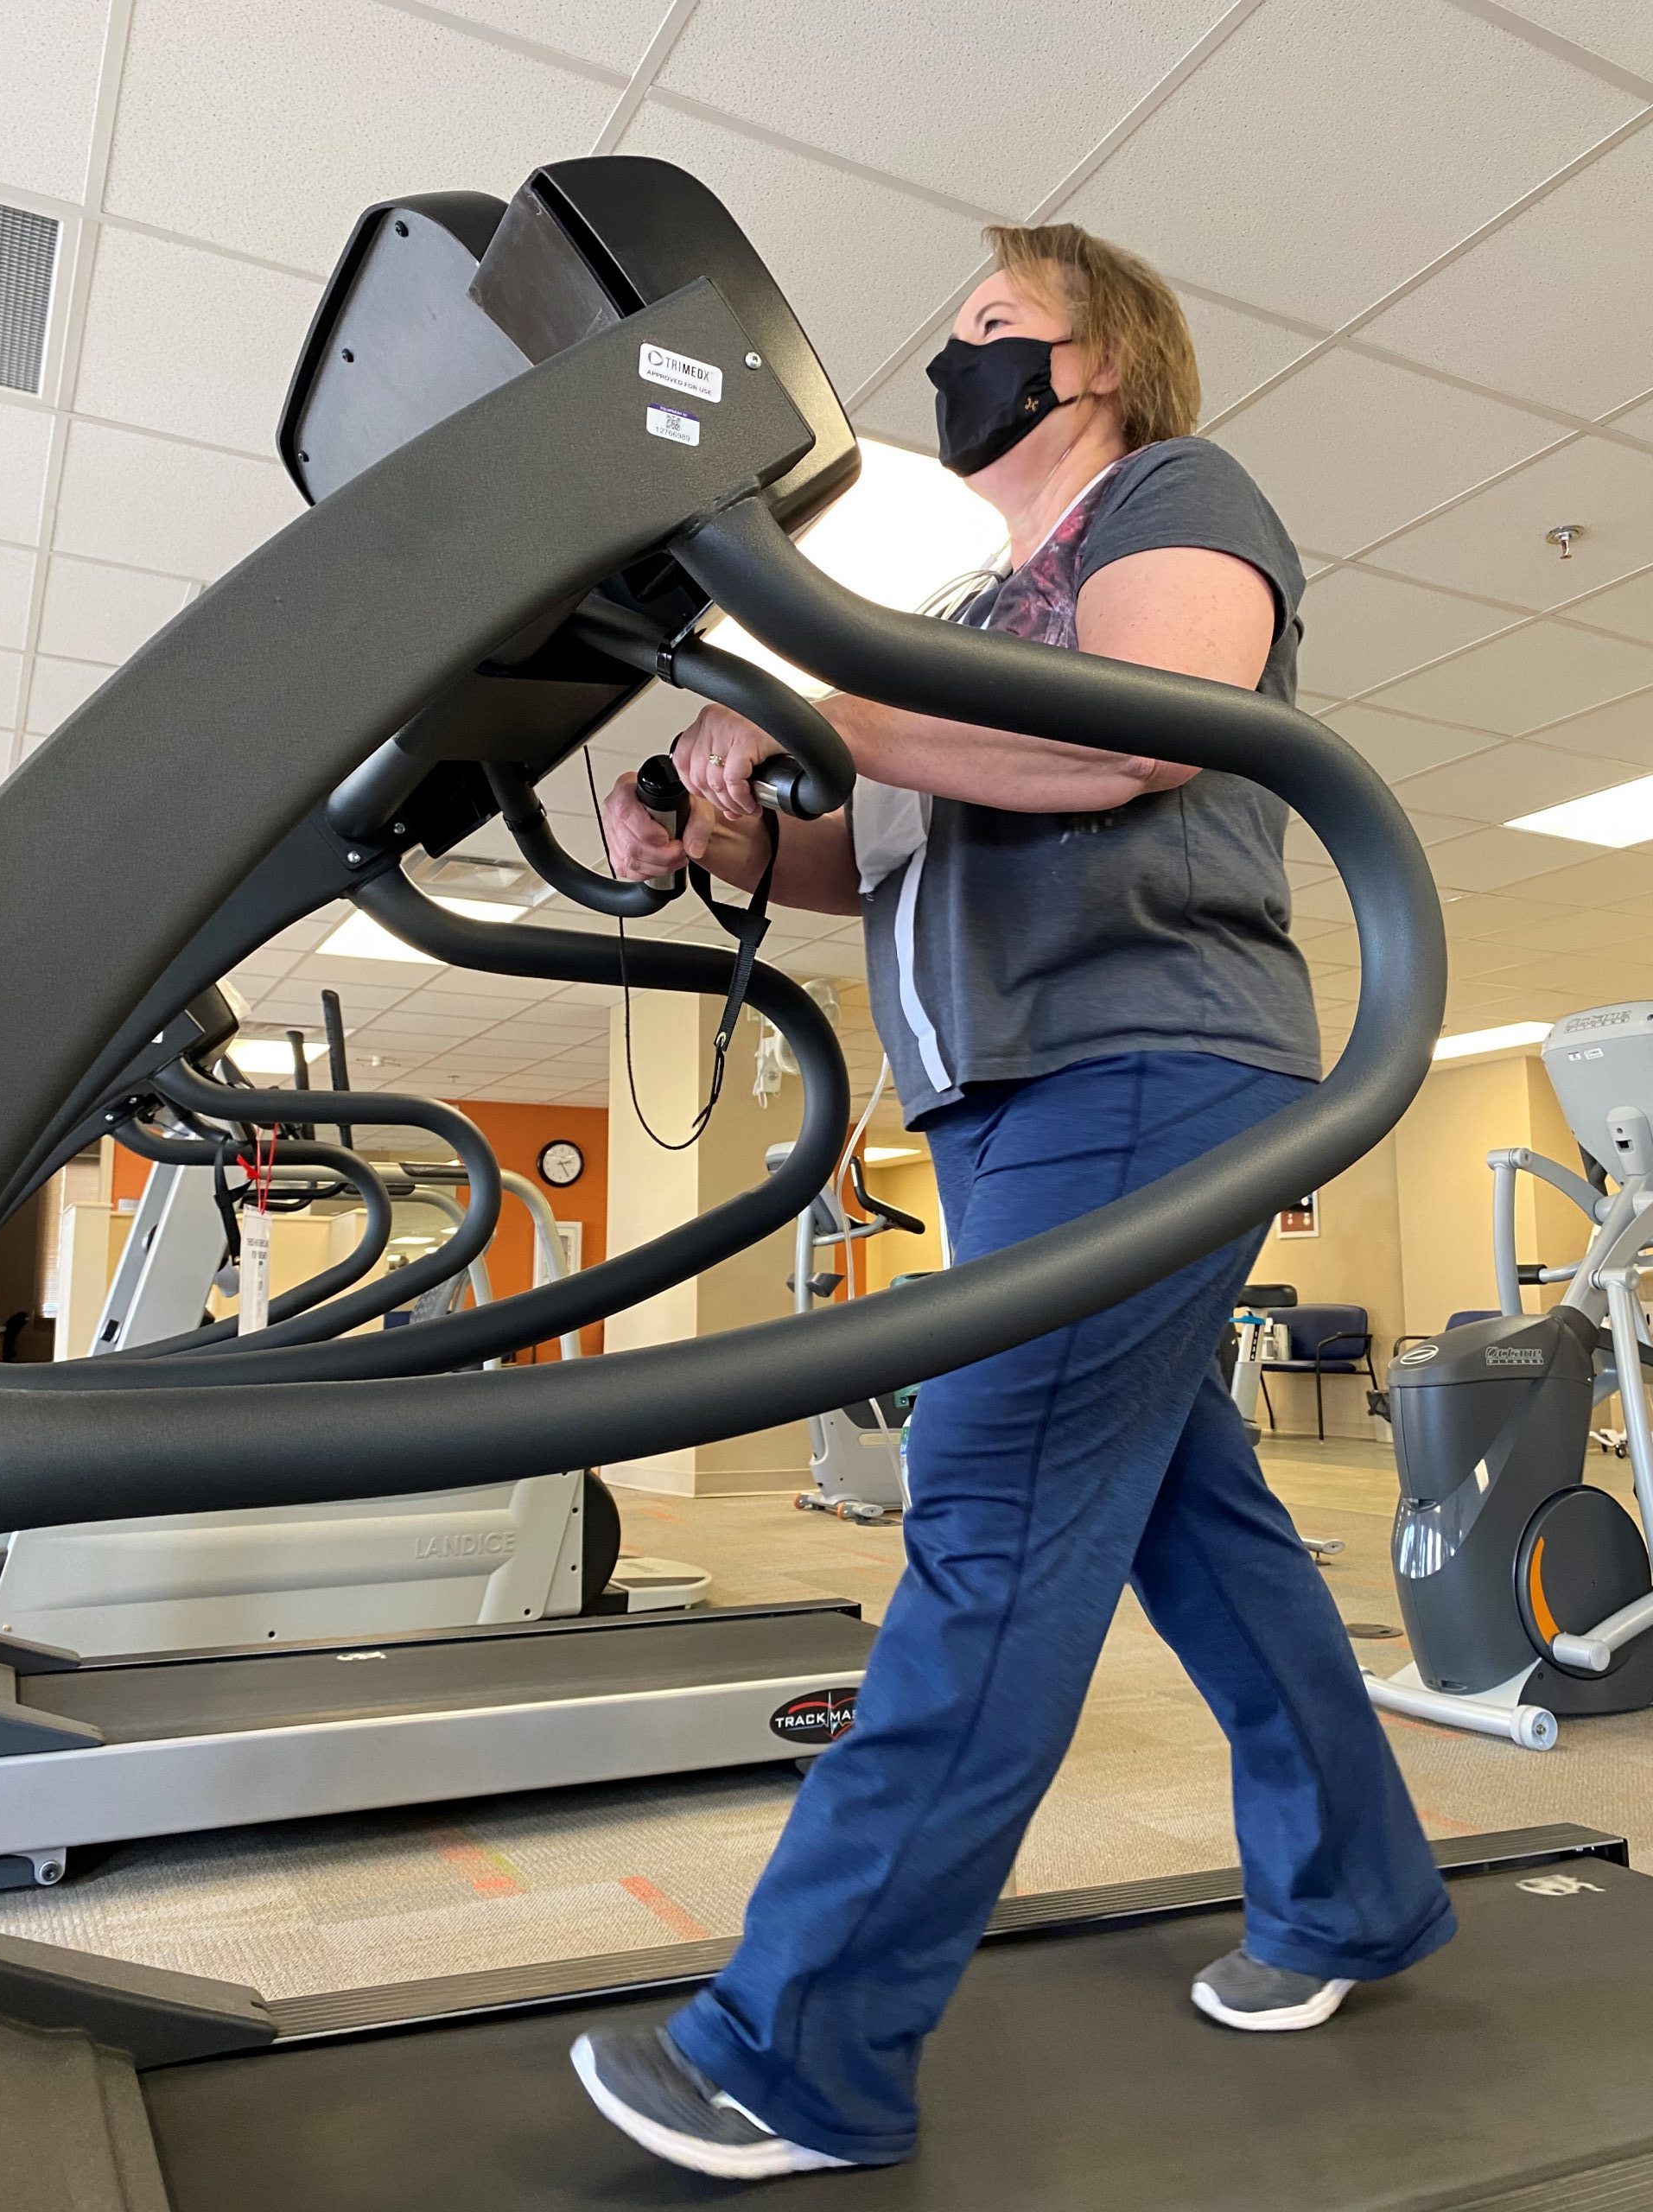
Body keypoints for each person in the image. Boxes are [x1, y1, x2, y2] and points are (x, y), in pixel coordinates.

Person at [572, 221, 1453, 2181]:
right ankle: (1359, 1890)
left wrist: (822, 697)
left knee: (990, 1518)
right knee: (1182, 1521)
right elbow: (879, 868)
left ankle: (800, 2047)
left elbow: (1135, 734)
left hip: (1149, 1056)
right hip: (1005, 1099)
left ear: (1101, 360)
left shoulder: (1167, 497)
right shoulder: (952, 594)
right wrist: (718, 821)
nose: (954, 362)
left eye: (993, 333)